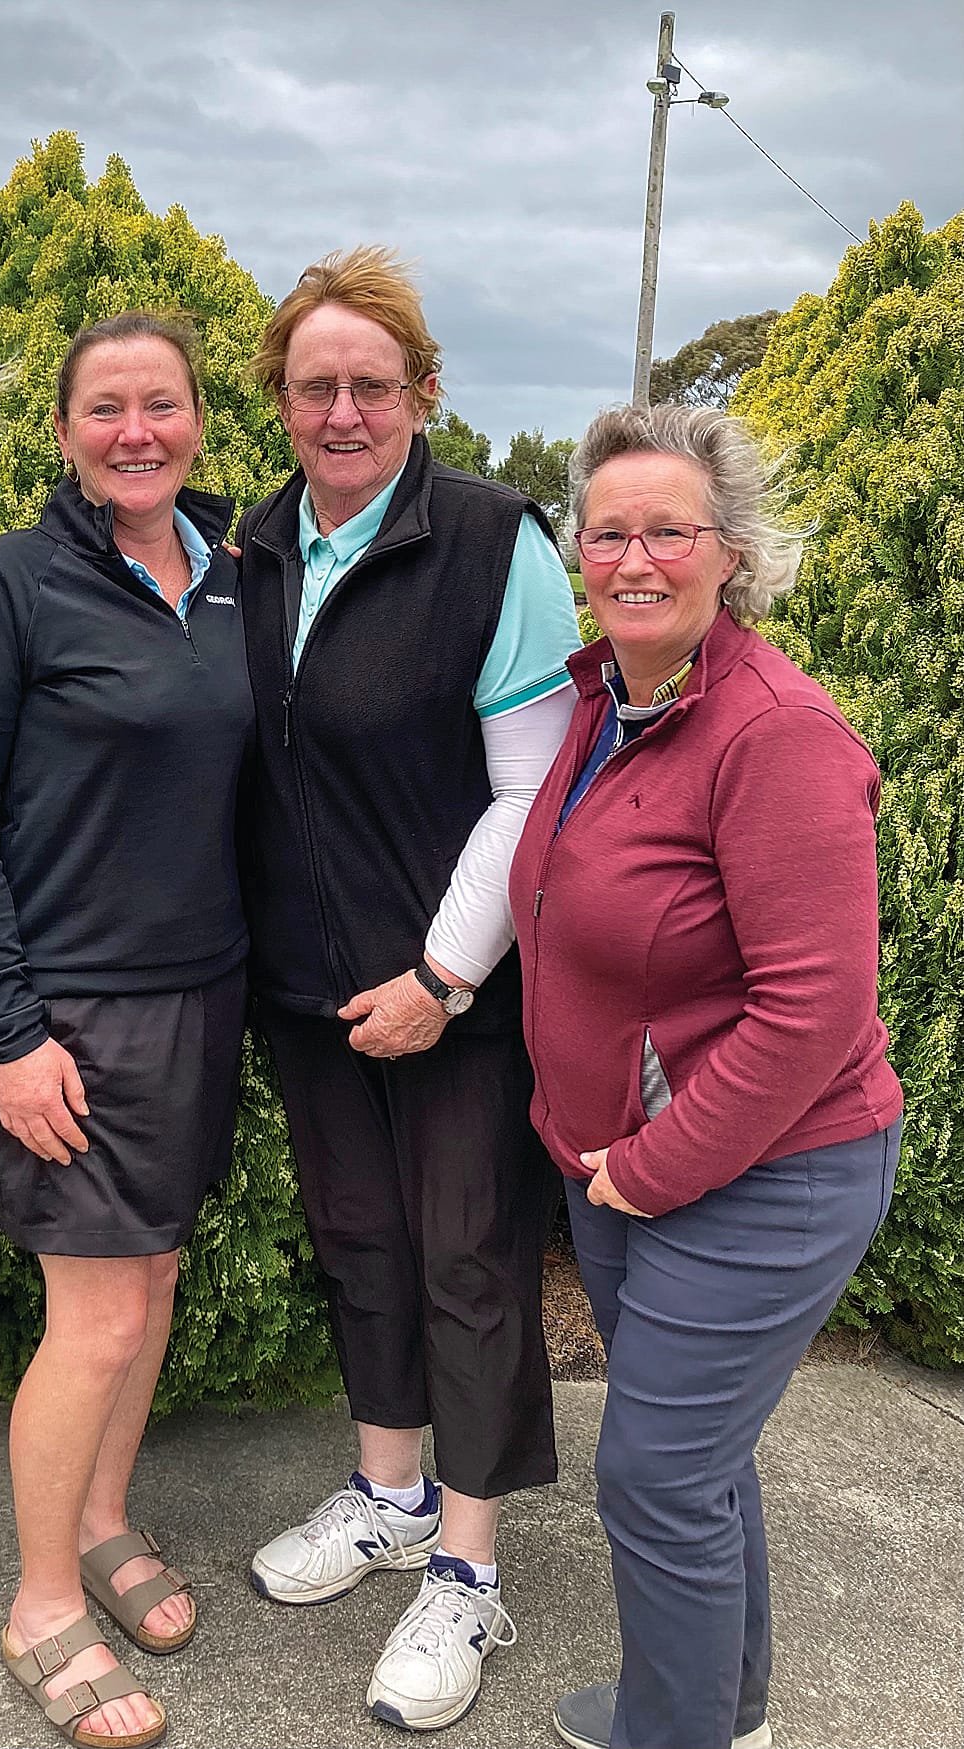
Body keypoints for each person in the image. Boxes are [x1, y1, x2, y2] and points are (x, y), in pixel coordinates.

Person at [508, 404, 904, 1749]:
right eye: (606, 530)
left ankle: (671, 1731)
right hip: (623, 1169)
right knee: (699, 1459)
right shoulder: (608, 699)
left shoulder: (775, 731)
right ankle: (717, 1714)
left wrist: (648, 1164)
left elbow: (813, 1010)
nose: (632, 556)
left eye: (665, 530)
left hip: (763, 1172)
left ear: (726, 549)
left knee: (659, 1474)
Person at [236, 247, 583, 1732]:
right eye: (315, 384)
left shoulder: (498, 543)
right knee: (362, 1240)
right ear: (283, 402)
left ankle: (471, 1567)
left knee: (469, 1259)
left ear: (424, 393)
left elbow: (532, 789)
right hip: (312, 991)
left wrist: (442, 973)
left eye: (372, 383)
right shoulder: (252, 550)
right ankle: (387, 1489)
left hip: (460, 989)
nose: (343, 408)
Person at [0, 313, 252, 1749]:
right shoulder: (10, 584)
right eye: (104, 407)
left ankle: (106, 1519)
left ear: (193, 420)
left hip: (203, 991)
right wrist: (7, 1025)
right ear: (62, 432)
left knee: (154, 1284)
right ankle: (44, 1598)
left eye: (159, 404)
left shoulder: (238, 577)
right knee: (97, 1312)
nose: (135, 430)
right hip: (67, 1011)